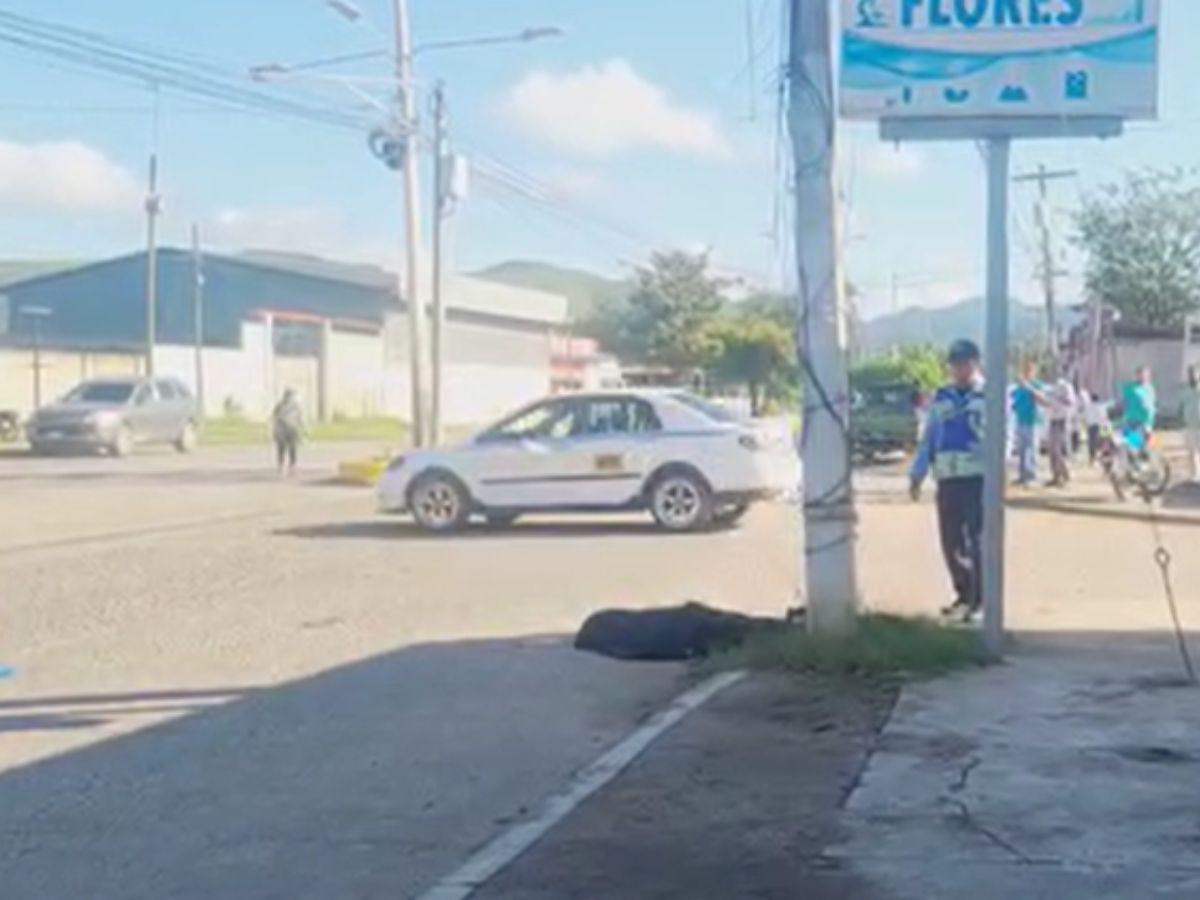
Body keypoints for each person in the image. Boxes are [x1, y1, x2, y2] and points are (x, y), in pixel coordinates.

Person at [910, 339, 985, 621]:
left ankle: (980, 599)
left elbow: (1004, 435)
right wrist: (918, 473)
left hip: (978, 476)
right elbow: (929, 436)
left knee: (978, 540)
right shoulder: (942, 398)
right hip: (948, 475)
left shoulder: (988, 395)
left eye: (964, 363)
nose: (959, 369)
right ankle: (964, 595)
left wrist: (999, 470)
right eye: (954, 364)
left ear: (975, 363)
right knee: (951, 540)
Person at [1044, 367, 1077, 488]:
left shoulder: (1065, 386)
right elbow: (1046, 402)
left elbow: (1071, 402)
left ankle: (1065, 474)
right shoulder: (1050, 388)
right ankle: (1056, 476)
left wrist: (1057, 400)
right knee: (1052, 450)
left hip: (1062, 419)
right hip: (1052, 418)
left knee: (1059, 449)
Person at [1010, 361, 1041, 487]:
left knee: (1031, 448)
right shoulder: (1018, 389)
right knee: (1022, 449)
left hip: (1032, 420)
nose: (1027, 373)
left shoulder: (1036, 385)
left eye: (1030, 370)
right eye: (1025, 370)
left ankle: (1031, 475)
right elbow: (1013, 403)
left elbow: (1042, 398)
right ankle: (1022, 475)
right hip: (1020, 420)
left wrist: (1029, 388)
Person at [271, 387, 305, 476]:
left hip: (292, 429)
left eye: (292, 396)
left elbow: (300, 418)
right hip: (282, 429)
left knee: (293, 448)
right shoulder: (280, 406)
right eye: (289, 395)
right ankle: (281, 465)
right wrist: (275, 430)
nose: (290, 398)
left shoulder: (296, 406)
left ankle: (292, 466)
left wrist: (302, 428)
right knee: (281, 448)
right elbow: (275, 418)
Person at [1081, 388, 1110, 465]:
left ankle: (1092, 458)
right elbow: (1104, 417)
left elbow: (1085, 417)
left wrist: (1086, 424)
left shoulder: (1088, 407)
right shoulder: (1100, 406)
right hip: (1099, 426)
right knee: (1100, 442)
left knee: (1091, 442)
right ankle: (1100, 457)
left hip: (1090, 426)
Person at [1183, 365, 1200, 481]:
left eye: (1195, 373)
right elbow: (1183, 405)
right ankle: (1194, 475)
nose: (1193, 376)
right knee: (1191, 451)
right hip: (1189, 425)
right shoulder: (1185, 390)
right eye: (1190, 374)